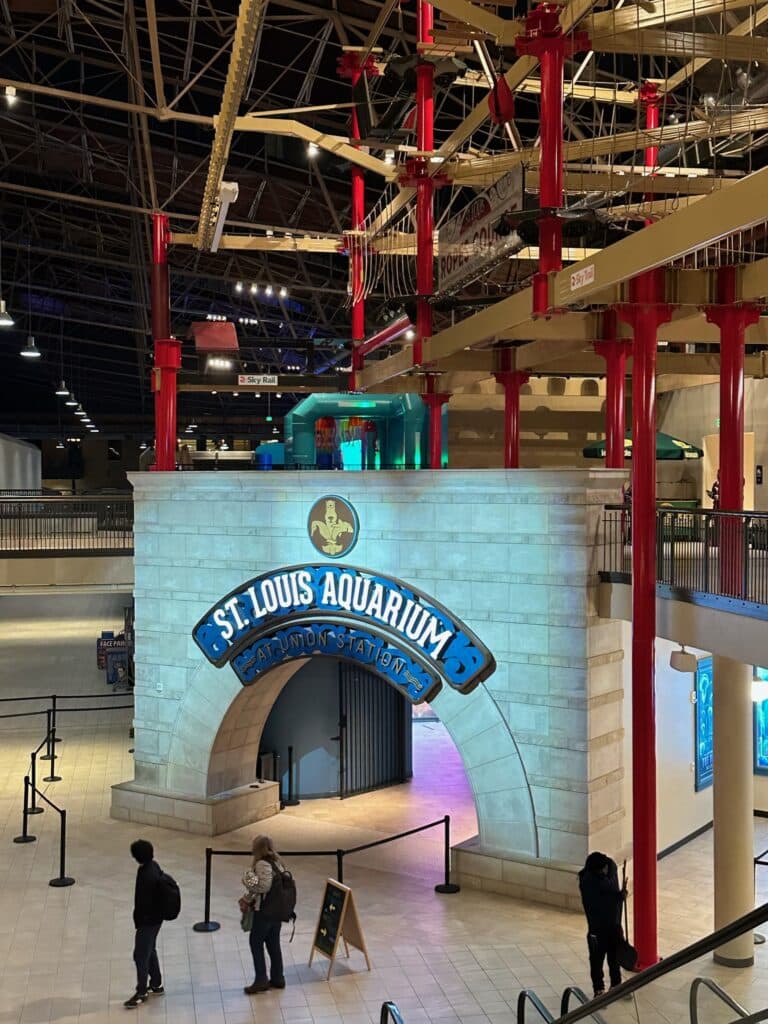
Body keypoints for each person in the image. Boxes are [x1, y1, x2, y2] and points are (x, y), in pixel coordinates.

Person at [240, 835, 286, 994]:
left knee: (255, 943)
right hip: (277, 911)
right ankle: (278, 978)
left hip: (264, 912)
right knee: (273, 944)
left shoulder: (262, 864)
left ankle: (261, 980)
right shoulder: (278, 863)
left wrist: (247, 878)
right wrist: (247, 897)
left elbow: (263, 887)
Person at [578, 851, 625, 997]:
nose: (606, 870)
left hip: (613, 926)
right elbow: (600, 904)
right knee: (597, 961)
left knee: (614, 958)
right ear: (596, 870)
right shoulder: (588, 882)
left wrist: (618, 896)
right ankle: (599, 989)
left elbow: (611, 867)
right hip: (597, 930)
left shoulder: (609, 870)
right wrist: (618, 896)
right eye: (602, 869)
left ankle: (616, 985)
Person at [125, 839, 165, 1008]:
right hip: (155, 920)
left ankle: (142, 992)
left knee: (140, 955)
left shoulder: (146, 874)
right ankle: (156, 984)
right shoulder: (153, 866)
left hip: (147, 921)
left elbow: (144, 902)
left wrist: (140, 920)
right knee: (150, 950)